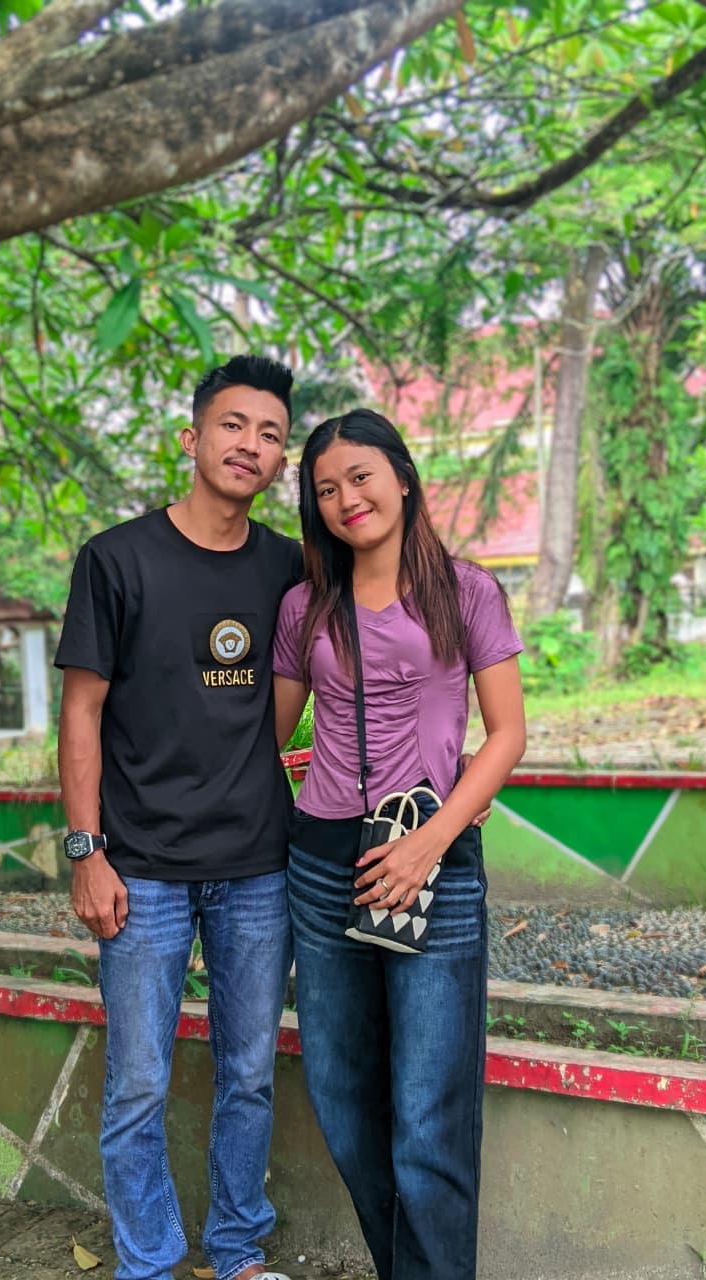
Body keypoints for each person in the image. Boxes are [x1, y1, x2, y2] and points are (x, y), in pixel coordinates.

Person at [54, 355, 302, 1280]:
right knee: (138, 1084)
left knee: (249, 1074)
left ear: (281, 462)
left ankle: (236, 1251)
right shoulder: (116, 559)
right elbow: (81, 711)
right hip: (141, 867)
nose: (250, 445)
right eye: (233, 425)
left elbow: (318, 677)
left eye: (270, 435)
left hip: (258, 865)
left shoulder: (288, 566)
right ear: (191, 437)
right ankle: (149, 1264)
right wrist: (86, 851)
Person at [272, 408, 526, 1280]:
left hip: (432, 865)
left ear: (404, 478)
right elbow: (266, 733)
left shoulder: (466, 591)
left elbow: (506, 734)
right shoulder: (306, 605)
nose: (347, 498)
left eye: (361, 476)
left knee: (428, 1113)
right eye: (326, 489)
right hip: (322, 866)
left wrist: (432, 840)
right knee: (343, 1099)